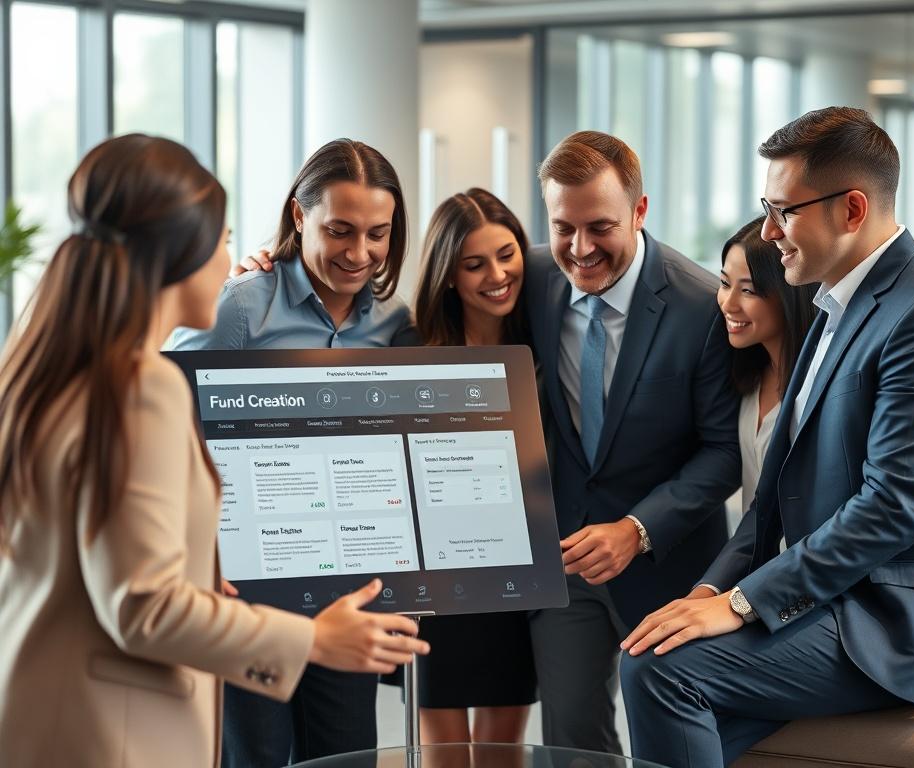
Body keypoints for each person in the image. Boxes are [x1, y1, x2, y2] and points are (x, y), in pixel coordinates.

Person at [0, 134, 428, 768]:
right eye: (222, 240)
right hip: (113, 725)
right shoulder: (143, 388)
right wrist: (309, 637)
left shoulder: (51, 366)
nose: (238, 259)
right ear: (178, 256)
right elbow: (143, 604)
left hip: (51, 707)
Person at [620, 106, 914, 768]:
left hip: (896, 622)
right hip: (826, 603)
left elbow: (895, 506)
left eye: (783, 212)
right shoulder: (830, 306)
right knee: (656, 657)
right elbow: (773, 494)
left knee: (662, 673)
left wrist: (744, 604)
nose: (769, 233)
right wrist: (710, 593)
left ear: (851, 210)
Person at [171, 138, 416, 767]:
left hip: (350, 586)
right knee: (253, 753)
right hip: (250, 586)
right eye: (339, 230)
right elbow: (167, 418)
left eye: (377, 233)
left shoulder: (394, 323)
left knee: (347, 754)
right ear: (299, 215)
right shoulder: (241, 307)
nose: (359, 253)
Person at [524, 130, 741, 753]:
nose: (580, 248)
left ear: (640, 212)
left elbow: (725, 450)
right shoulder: (534, 278)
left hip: (668, 563)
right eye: (563, 227)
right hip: (563, 560)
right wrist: (273, 263)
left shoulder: (702, 305)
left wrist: (638, 529)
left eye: (600, 226)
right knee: (569, 740)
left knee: (666, 741)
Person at [404, 187, 537, 747]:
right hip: (437, 579)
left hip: (517, 570)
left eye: (507, 254)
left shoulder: (539, 335)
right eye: (475, 264)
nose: (497, 274)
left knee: (503, 750)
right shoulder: (411, 347)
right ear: (448, 274)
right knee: (446, 752)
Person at [717, 216, 816, 517]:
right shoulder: (748, 374)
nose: (728, 304)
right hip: (752, 559)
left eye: (748, 291)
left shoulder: (816, 386)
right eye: (724, 283)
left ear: (788, 295)